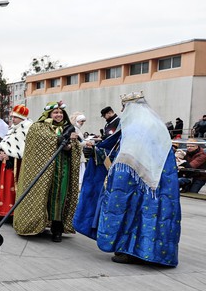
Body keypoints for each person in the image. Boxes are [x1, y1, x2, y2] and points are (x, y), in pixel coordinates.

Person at [75, 92, 181, 266]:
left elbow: (124, 158)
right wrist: (97, 152)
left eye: (124, 108)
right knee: (149, 215)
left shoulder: (135, 128)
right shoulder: (157, 126)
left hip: (134, 182)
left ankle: (128, 250)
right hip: (160, 184)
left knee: (132, 213)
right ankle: (150, 252)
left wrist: (99, 155)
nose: (122, 111)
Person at [13, 101, 81, 242]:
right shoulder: (39, 127)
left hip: (62, 169)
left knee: (59, 197)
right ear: (49, 113)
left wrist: (70, 147)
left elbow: (75, 146)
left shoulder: (69, 127)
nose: (58, 115)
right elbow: (39, 143)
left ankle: (57, 229)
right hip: (43, 169)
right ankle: (36, 223)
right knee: (42, 194)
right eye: (55, 112)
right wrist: (60, 140)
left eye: (61, 113)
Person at [0, 105, 31, 221]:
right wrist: (0, 152)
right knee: (3, 189)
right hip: (5, 163)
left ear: (22, 118)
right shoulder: (12, 129)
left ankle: (12, 213)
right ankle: (3, 212)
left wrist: (10, 156)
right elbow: (5, 144)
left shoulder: (26, 129)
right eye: (12, 117)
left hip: (15, 165)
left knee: (12, 189)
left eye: (15, 117)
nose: (13, 119)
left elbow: (23, 149)